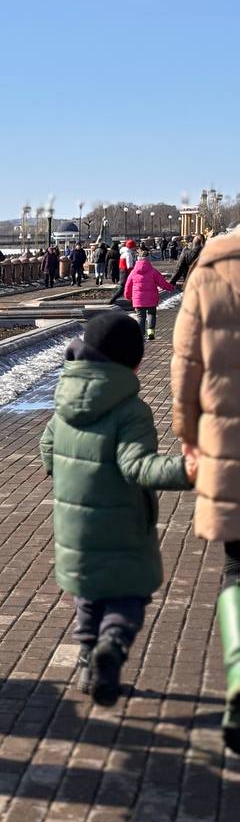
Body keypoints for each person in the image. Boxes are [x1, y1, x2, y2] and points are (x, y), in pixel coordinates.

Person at [40, 313, 196, 706]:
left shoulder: (65, 401)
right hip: (123, 526)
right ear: (133, 362)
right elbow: (138, 467)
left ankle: (88, 666)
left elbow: (47, 452)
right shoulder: (130, 410)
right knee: (128, 597)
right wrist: (189, 469)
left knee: (88, 599)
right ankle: (112, 647)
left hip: (74, 528)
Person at [171, 234, 240, 750]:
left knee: (237, 569)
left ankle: (239, 677)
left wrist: (188, 436)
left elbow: (185, 363)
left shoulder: (212, 267)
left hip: (228, 440)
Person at [124, 248, 174, 340]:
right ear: (148, 259)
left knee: (140, 316)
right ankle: (150, 331)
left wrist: (127, 296)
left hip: (138, 299)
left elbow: (128, 285)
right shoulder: (153, 271)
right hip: (151, 299)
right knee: (151, 314)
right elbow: (162, 283)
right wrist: (171, 287)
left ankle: (141, 334)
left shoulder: (133, 272)